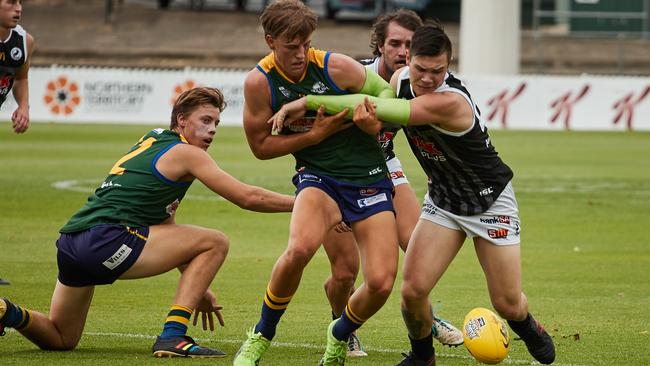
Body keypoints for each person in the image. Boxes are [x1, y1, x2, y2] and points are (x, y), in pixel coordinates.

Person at [272, 21, 557, 366]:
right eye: (421, 69)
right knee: (412, 291)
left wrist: (308, 102)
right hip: (443, 201)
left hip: (489, 200)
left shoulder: (451, 101)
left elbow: (384, 110)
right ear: (409, 59)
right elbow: (379, 124)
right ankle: (423, 357)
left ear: (448, 66)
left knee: (507, 303)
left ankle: (528, 327)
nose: (427, 79)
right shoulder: (399, 80)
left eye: (437, 71)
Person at [0, 87, 297, 358]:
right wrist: (304, 203)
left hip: (72, 242)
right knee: (216, 241)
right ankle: (173, 336)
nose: (212, 130)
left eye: (216, 123)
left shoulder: (153, 138)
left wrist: (197, 285)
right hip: (108, 239)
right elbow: (247, 197)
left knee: (62, 338)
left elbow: (166, 227)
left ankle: (7, 312)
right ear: (181, 121)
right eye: (205, 120)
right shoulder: (187, 153)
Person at [233, 1, 400, 365]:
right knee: (299, 249)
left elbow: (388, 95)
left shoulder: (336, 66)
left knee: (382, 283)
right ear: (270, 41)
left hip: (369, 178)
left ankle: (339, 333)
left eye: (306, 43)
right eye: (291, 46)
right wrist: (313, 137)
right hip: (319, 178)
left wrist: (375, 124)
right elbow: (260, 148)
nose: (301, 54)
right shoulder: (259, 83)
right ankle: (261, 334)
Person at [321, 10, 463, 355]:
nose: (402, 50)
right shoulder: (355, 76)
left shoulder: (420, 81)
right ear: (379, 46)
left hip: (384, 165)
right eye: (395, 43)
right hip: (338, 172)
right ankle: (343, 324)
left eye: (409, 45)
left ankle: (427, 316)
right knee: (345, 272)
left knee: (417, 245)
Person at [0, 0, 33, 134]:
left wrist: (24, 106)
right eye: (11, 2)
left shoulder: (25, 41)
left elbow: (21, 78)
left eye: (20, 2)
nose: (18, 8)